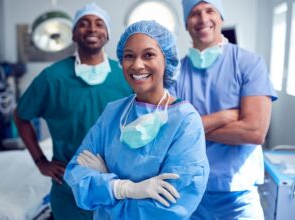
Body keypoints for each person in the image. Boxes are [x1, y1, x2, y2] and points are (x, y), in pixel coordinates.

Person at [64, 20, 209, 220]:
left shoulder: (185, 120)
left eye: (148, 55)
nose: (137, 65)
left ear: (166, 59)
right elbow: (76, 173)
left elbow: (170, 209)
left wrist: (106, 186)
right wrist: (124, 188)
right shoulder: (113, 113)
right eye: (129, 56)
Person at [13, 3, 131, 220]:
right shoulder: (52, 78)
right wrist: (41, 162)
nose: (92, 29)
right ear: (74, 34)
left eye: (99, 23)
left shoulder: (125, 75)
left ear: (107, 33)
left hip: (118, 186)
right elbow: (20, 117)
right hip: (70, 191)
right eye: (83, 24)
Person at [169, 0, 278, 219]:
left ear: (221, 18)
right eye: (194, 13)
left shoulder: (249, 63)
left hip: (239, 195)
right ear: (186, 24)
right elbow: (170, 131)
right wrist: (226, 116)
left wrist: (192, 128)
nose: (203, 18)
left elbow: (254, 132)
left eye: (210, 10)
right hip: (190, 192)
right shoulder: (174, 74)